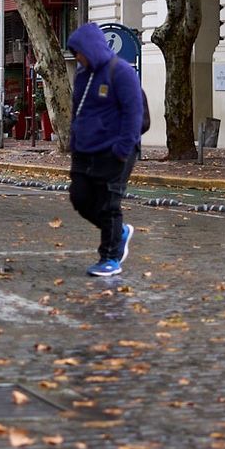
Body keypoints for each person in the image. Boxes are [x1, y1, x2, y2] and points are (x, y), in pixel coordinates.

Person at [66, 23, 143, 277]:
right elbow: (79, 111)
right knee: (81, 197)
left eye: (79, 51)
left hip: (114, 150)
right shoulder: (82, 76)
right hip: (84, 150)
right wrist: (74, 142)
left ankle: (110, 257)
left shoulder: (120, 72)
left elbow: (134, 113)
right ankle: (119, 232)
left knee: (109, 202)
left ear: (90, 48)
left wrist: (122, 148)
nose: (77, 57)